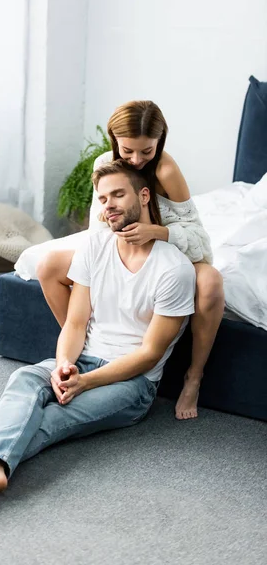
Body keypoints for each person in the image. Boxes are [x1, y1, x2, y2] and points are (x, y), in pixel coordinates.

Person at [0, 160, 196, 499]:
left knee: (57, 415)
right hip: (85, 359)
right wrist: (64, 364)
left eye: (118, 195)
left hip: (133, 383)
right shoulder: (96, 245)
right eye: (103, 199)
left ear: (144, 195)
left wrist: (85, 382)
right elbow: (76, 322)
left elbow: (149, 355)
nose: (109, 206)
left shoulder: (174, 269)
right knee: (25, 379)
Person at [37, 100, 224, 420]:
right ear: (114, 141)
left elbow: (200, 241)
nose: (137, 160)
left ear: (159, 143)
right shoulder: (104, 164)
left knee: (210, 281)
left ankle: (193, 375)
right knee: (48, 265)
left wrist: (156, 232)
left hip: (169, 251)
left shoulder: (166, 170)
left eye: (147, 151)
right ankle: (87, 355)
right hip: (124, 248)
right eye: (128, 151)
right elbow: (100, 231)